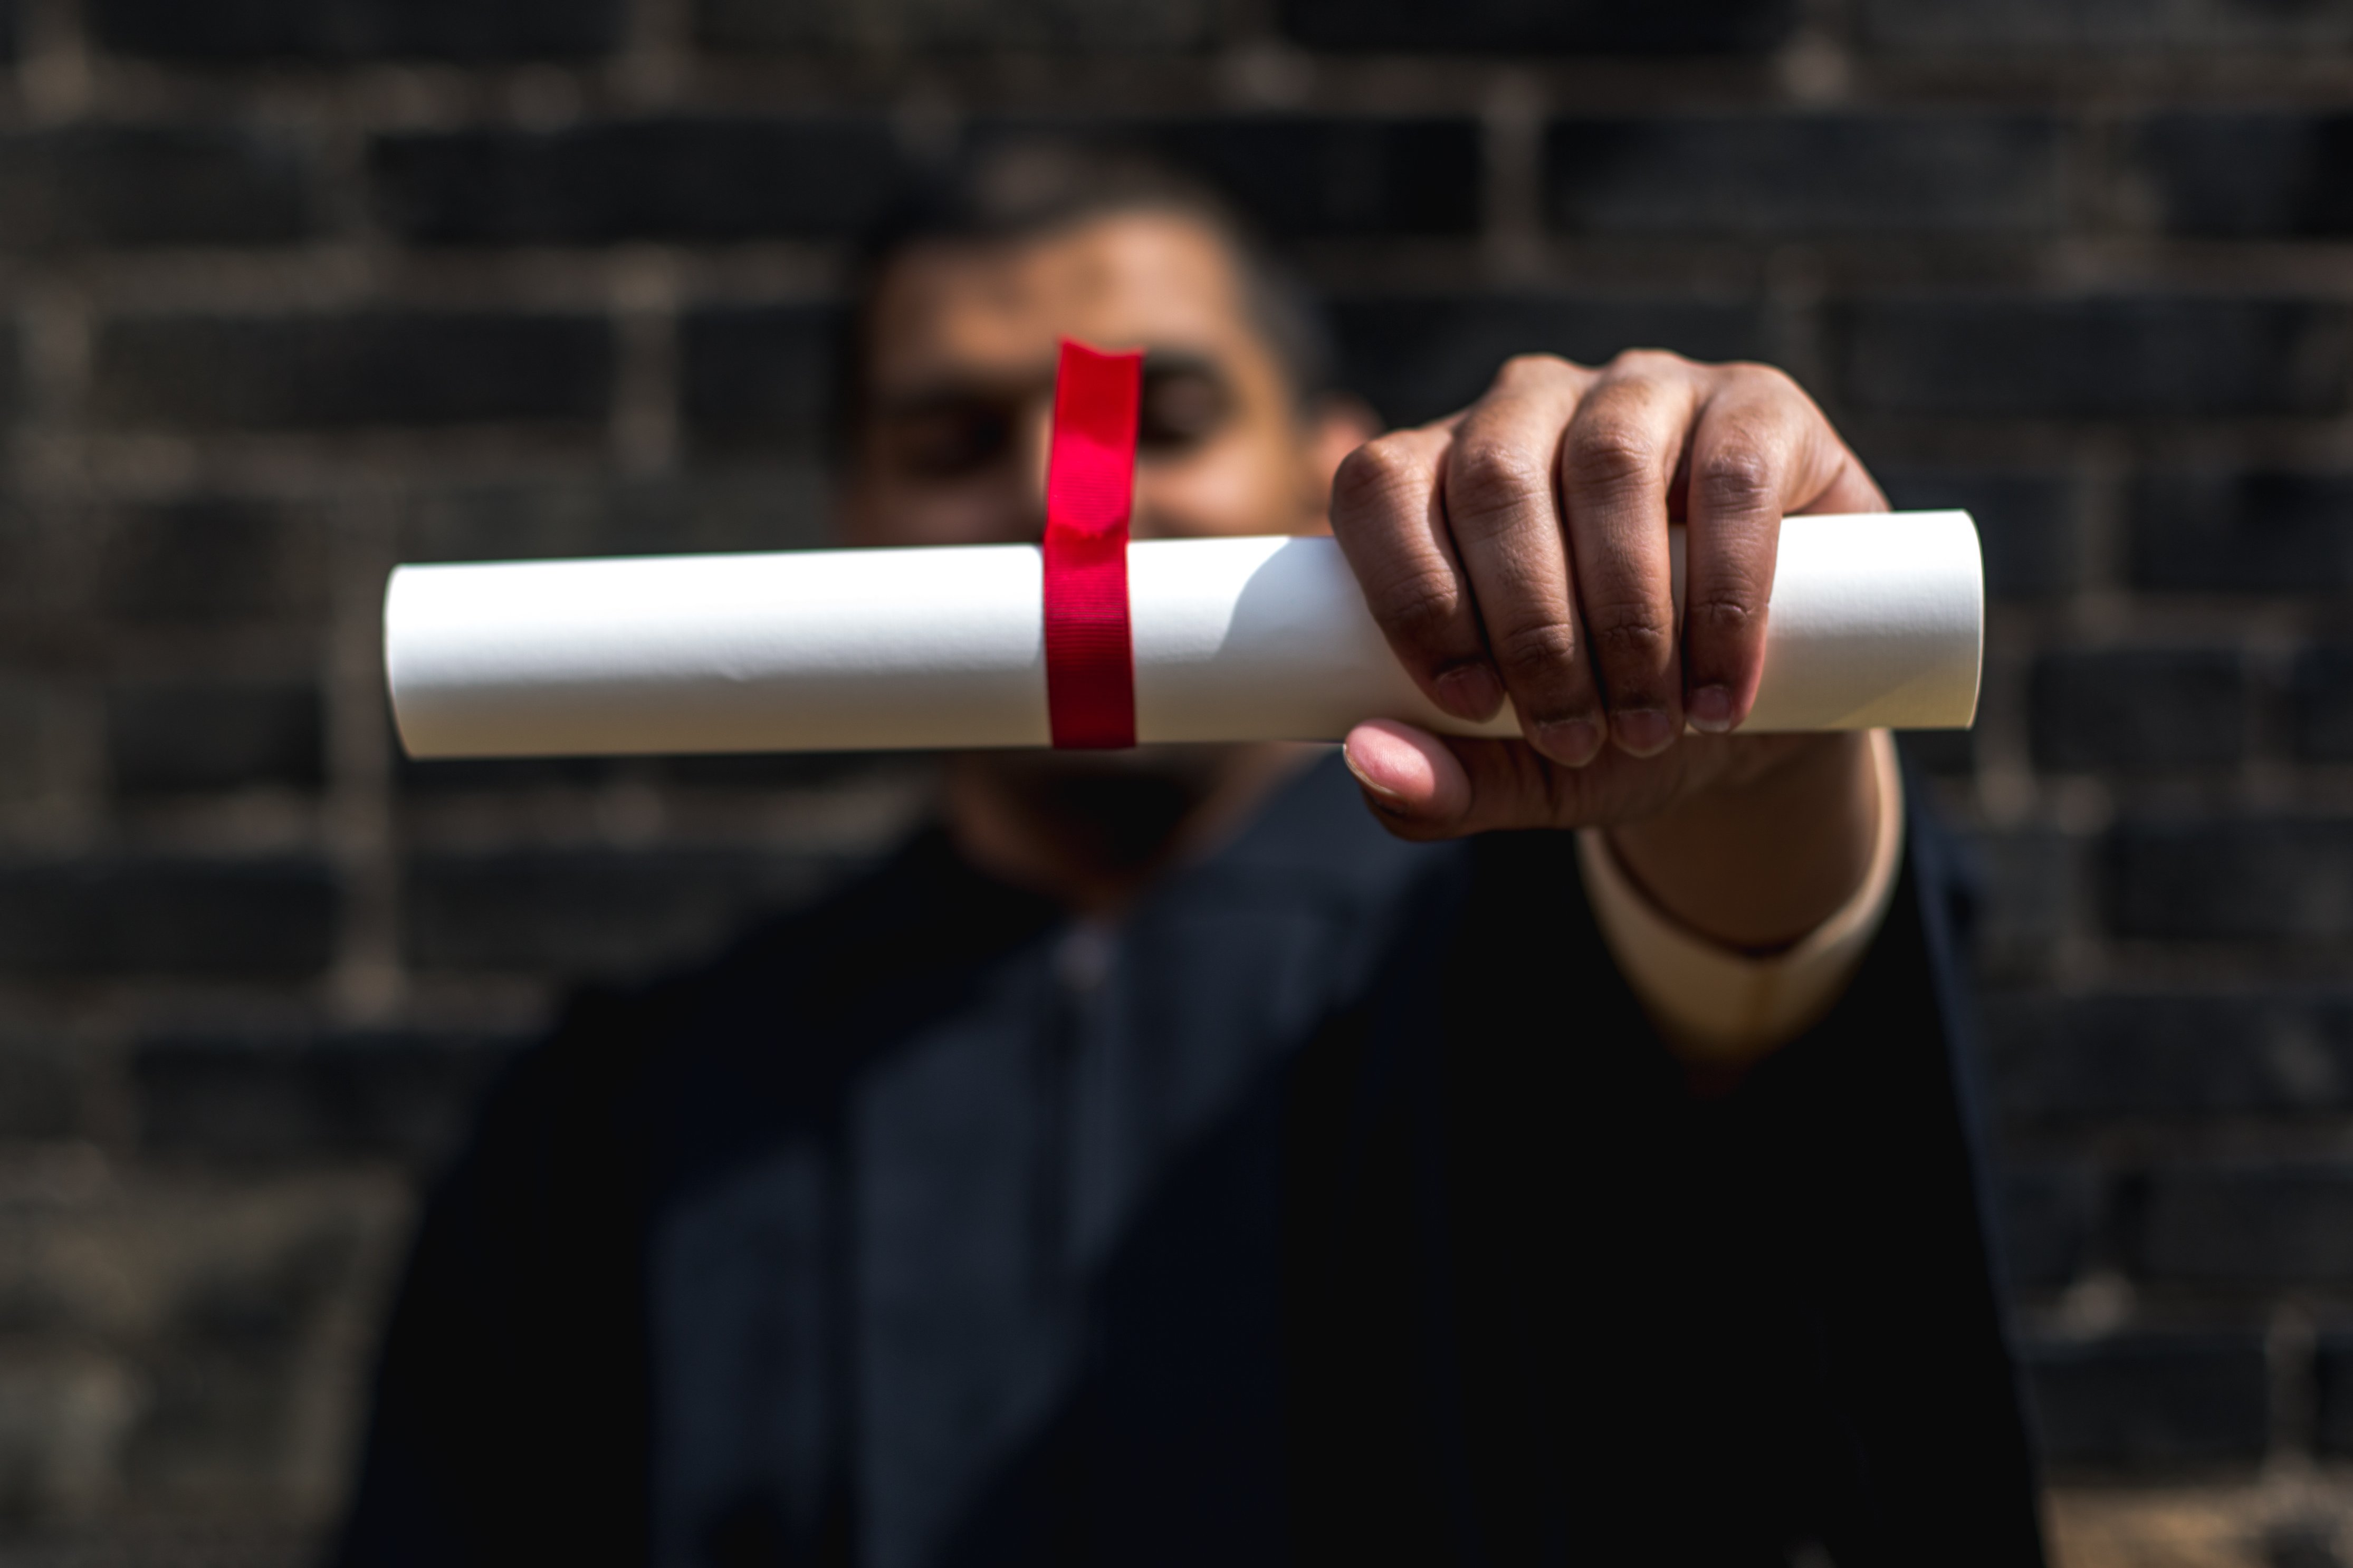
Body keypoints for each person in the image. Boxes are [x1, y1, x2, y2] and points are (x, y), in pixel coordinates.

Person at [336, 146, 2044, 1567]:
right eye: (946, 443)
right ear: (851, 524)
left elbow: (1761, 928)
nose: (1056, 497)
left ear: (1335, 468)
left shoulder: (1521, 954)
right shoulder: (632, 1121)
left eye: (1157, 415)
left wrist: (1743, 749)